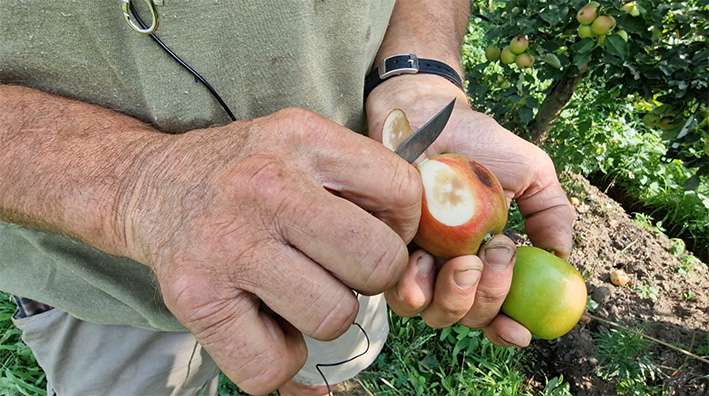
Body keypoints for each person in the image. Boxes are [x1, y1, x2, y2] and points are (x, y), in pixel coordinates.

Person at [0, 1, 575, 395]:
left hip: (345, 233)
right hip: (88, 277)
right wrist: (135, 185)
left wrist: (418, 70)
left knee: (319, 362)